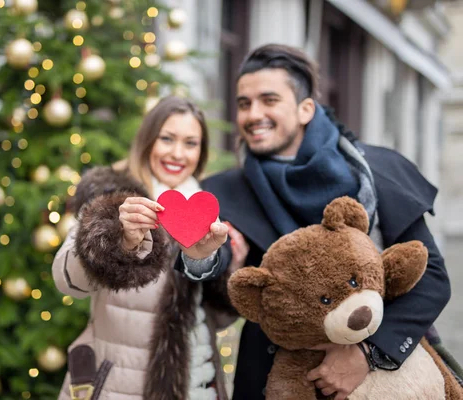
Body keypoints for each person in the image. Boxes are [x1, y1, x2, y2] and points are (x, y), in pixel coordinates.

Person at [177, 44, 452, 400]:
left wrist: (367, 353)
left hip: (386, 375)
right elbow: (220, 259)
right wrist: (202, 256)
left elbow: (431, 277)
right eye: (244, 103)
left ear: (306, 108)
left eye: (269, 99)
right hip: (274, 375)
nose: (252, 114)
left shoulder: (376, 170)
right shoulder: (225, 189)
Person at [51, 96, 241, 400]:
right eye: (167, 139)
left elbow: (217, 317)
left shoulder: (208, 210)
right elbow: (68, 281)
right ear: (147, 140)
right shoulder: (112, 198)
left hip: (198, 383)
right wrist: (119, 240)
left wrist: (214, 264)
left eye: (191, 143)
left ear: (201, 152)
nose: (178, 153)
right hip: (118, 386)